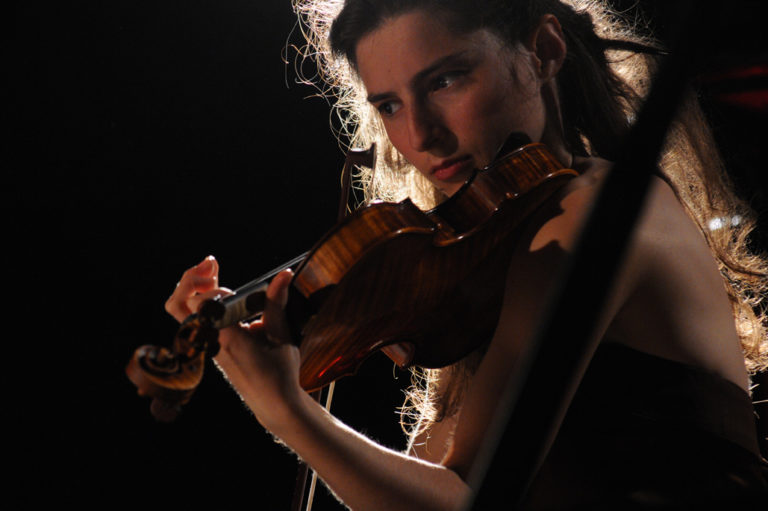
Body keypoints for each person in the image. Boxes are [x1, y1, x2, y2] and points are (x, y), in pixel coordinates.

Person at [164, 0, 768, 508]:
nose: (420, 134)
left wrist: (286, 411)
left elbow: (469, 500)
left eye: (445, 81)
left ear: (544, 50)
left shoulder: (592, 216)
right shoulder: (494, 258)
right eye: (389, 105)